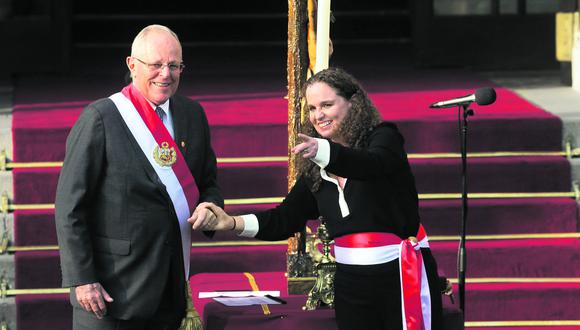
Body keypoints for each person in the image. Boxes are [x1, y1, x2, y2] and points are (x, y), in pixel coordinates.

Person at [189, 67, 444, 330]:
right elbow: (284, 219)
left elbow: (370, 165)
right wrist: (230, 222)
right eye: (311, 108)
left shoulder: (384, 138)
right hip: (350, 285)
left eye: (327, 105)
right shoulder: (317, 167)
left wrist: (323, 150)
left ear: (353, 103)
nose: (317, 115)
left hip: (400, 277)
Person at [55, 24, 223, 330]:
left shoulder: (193, 115)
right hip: (110, 293)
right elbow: (70, 206)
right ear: (132, 65)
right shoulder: (100, 118)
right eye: (156, 65)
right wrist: (82, 279)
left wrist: (210, 207)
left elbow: (208, 182)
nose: (166, 74)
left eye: (174, 66)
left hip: (169, 289)